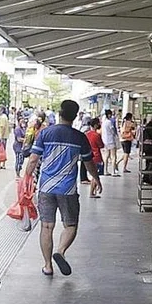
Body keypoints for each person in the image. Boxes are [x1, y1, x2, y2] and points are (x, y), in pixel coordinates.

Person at [23, 100, 102, 276]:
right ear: (75, 116)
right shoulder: (79, 137)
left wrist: (26, 179)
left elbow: (34, 159)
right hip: (68, 190)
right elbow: (89, 162)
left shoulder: (45, 133)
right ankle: (60, 250)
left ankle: (47, 266)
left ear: (59, 113)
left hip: (46, 188)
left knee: (46, 226)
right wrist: (96, 179)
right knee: (71, 225)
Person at [83, 117, 104, 197]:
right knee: (96, 175)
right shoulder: (96, 135)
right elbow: (101, 145)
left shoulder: (86, 134)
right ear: (95, 125)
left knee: (93, 175)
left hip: (89, 157)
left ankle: (93, 192)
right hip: (97, 156)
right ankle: (92, 192)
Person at [101, 109, 120, 176]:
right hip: (111, 141)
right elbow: (113, 131)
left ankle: (105, 171)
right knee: (113, 156)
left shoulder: (103, 122)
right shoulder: (109, 122)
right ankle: (113, 171)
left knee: (106, 156)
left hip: (105, 141)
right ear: (109, 115)